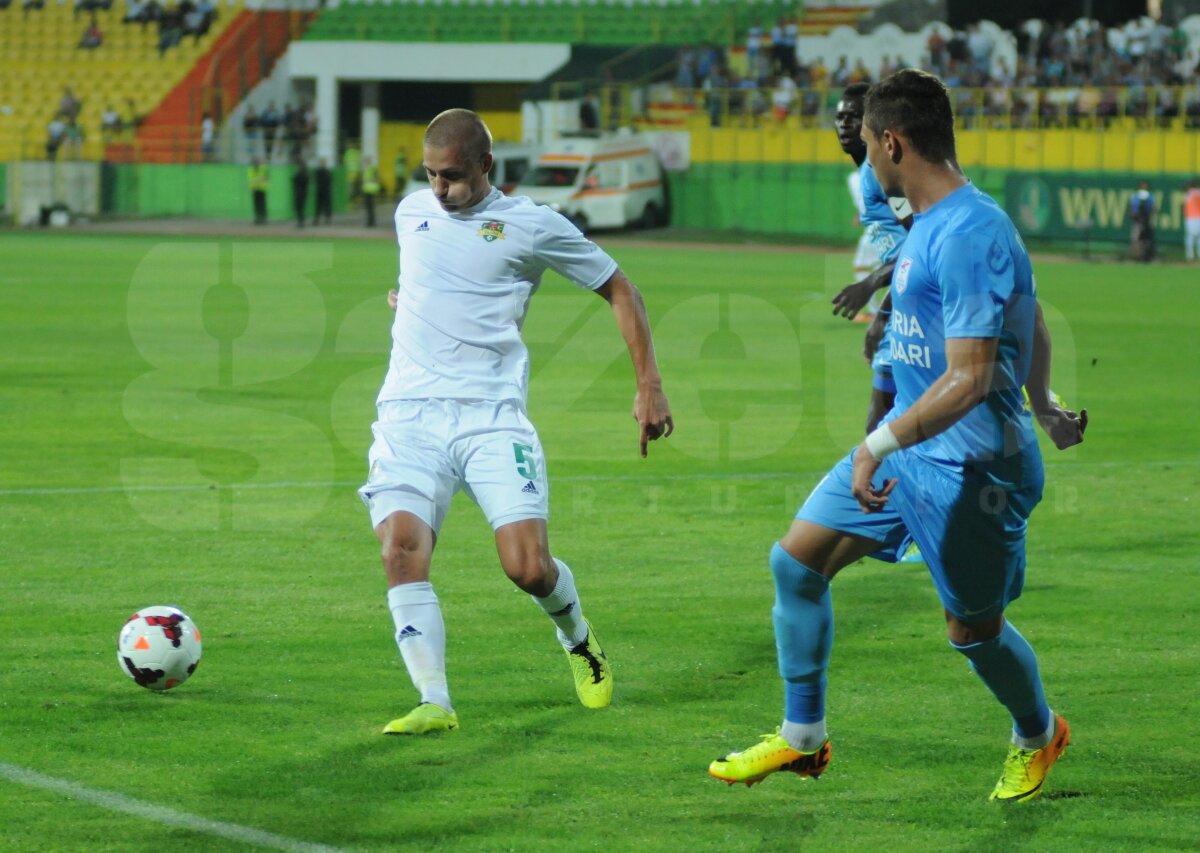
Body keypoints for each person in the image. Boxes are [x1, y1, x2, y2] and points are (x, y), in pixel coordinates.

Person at [708, 70, 1087, 804]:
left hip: (973, 468)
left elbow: (970, 378)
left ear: (892, 142)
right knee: (797, 564)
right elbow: (1031, 314)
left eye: (868, 144)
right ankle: (803, 738)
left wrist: (875, 444)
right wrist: (1041, 401)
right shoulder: (932, 221)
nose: (865, 161)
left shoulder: (970, 231)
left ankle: (1039, 733)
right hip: (913, 448)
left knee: (973, 631)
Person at [360, 109, 673, 736]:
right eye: (430, 175)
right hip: (408, 415)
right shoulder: (410, 212)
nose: (439, 189)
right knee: (400, 548)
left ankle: (578, 637)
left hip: (491, 417)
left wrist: (649, 386)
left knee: (527, 568)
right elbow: (427, 279)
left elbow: (622, 290)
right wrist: (409, 303)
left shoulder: (531, 224)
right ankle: (434, 700)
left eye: (452, 176)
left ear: (486, 165)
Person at [829, 83, 912, 436]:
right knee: (888, 429)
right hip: (906, 308)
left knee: (880, 430)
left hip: (921, 312)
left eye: (854, 117)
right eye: (839, 117)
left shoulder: (883, 175)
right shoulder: (868, 174)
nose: (844, 125)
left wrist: (871, 288)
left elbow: (922, 245)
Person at [1129, 180, 1155, 262]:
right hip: (1137, 220)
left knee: (1147, 239)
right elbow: (1132, 208)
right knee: (1136, 238)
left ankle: (1146, 255)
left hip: (1146, 220)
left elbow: (1153, 208)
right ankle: (1136, 255)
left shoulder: (1150, 196)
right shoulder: (1135, 196)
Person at [247, 157, 268, 224]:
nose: (256, 163)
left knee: (262, 205)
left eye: (257, 161)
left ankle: (263, 219)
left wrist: (256, 180)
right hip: (255, 189)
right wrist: (259, 180)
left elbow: (266, 178)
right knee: (256, 205)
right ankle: (258, 218)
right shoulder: (251, 170)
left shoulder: (263, 169)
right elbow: (251, 179)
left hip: (262, 189)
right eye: (255, 162)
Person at [313, 158, 333, 225]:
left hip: (326, 191)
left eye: (323, 163)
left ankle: (328, 219)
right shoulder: (318, 172)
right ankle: (317, 219)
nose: (322, 165)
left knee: (327, 205)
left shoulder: (327, 172)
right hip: (320, 191)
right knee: (318, 206)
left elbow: (330, 181)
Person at [1184, 179, 1200, 261]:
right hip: (1198, 217)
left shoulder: (1189, 194)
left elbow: (1185, 205)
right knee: (1199, 237)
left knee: (1190, 236)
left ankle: (1190, 255)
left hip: (1191, 217)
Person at [361, 155, 380, 227]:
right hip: (367, 190)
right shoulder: (366, 169)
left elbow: (376, 178)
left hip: (371, 190)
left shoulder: (371, 169)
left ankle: (371, 222)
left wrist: (369, 181)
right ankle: (370, 221)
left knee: (371, 208)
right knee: (368, 208)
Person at [290, 157, 309, 228]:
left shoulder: (304, 174)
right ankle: (300, 221)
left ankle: (301, 221)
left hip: (302, 193)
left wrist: (295, 179)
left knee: (300, 207)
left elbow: (301, 181)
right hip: (298, 192)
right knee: (298, 207)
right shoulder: (300, 174)